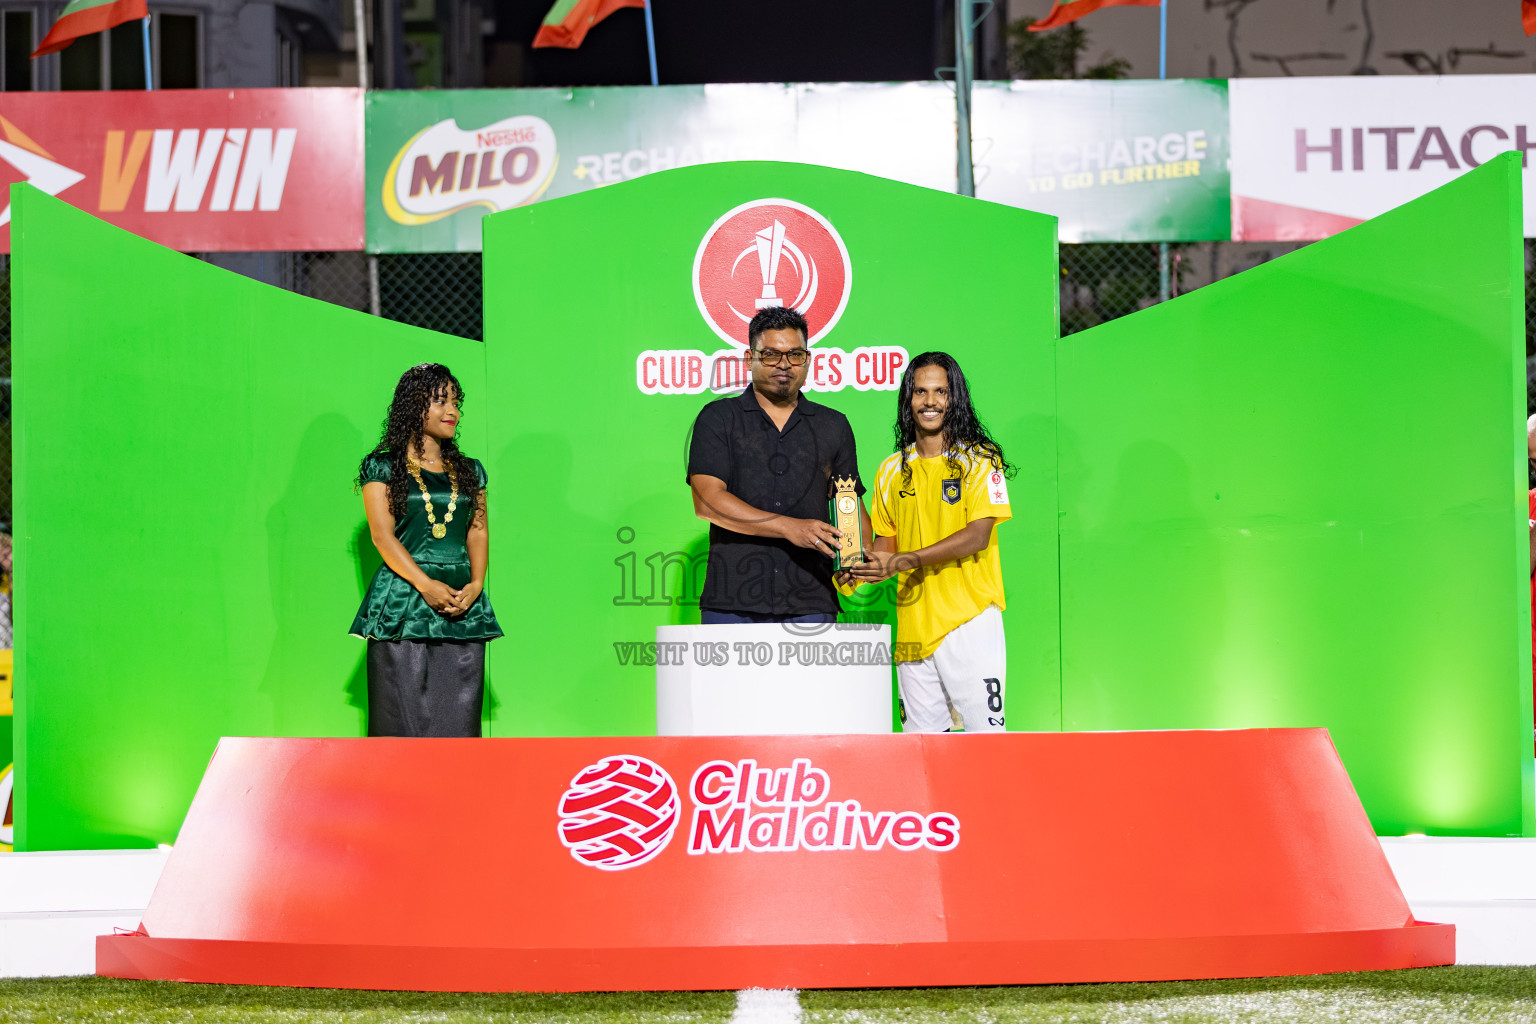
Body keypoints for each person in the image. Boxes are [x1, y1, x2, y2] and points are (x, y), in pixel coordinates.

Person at [851, 352, 1013, 733]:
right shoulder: (891, 469)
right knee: (923, 749)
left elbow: (977, 536)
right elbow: (886, 544)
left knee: (986, 741)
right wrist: (860, 569)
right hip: (913, 628)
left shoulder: (980, 460)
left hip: (968, 621)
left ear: (954, 398)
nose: (930, 401)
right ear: (908, 399)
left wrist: (903, 561)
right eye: (921, 392)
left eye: (940, 391)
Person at [687, 306, 870, 624]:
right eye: (771, 354)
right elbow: (707, 501)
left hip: (811, 601)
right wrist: (789, 528)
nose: (784, 364)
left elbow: (849, 503)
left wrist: (858, 557)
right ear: (750, 358)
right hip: (732, 600)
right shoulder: (718, 419)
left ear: (807, 360)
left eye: (795, 354)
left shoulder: (834, 425)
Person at [350, 363, 501, 736]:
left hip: (460, 601)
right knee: (402, 725)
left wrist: (477, 584)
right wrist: (426, 585)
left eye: (455, 403)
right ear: (414, 406)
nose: (452, 412)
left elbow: (477, 530)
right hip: (404, 600)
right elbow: (383, 537)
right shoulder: (382, 466)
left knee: (459, 725)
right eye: (439, 402)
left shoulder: (470, 470)